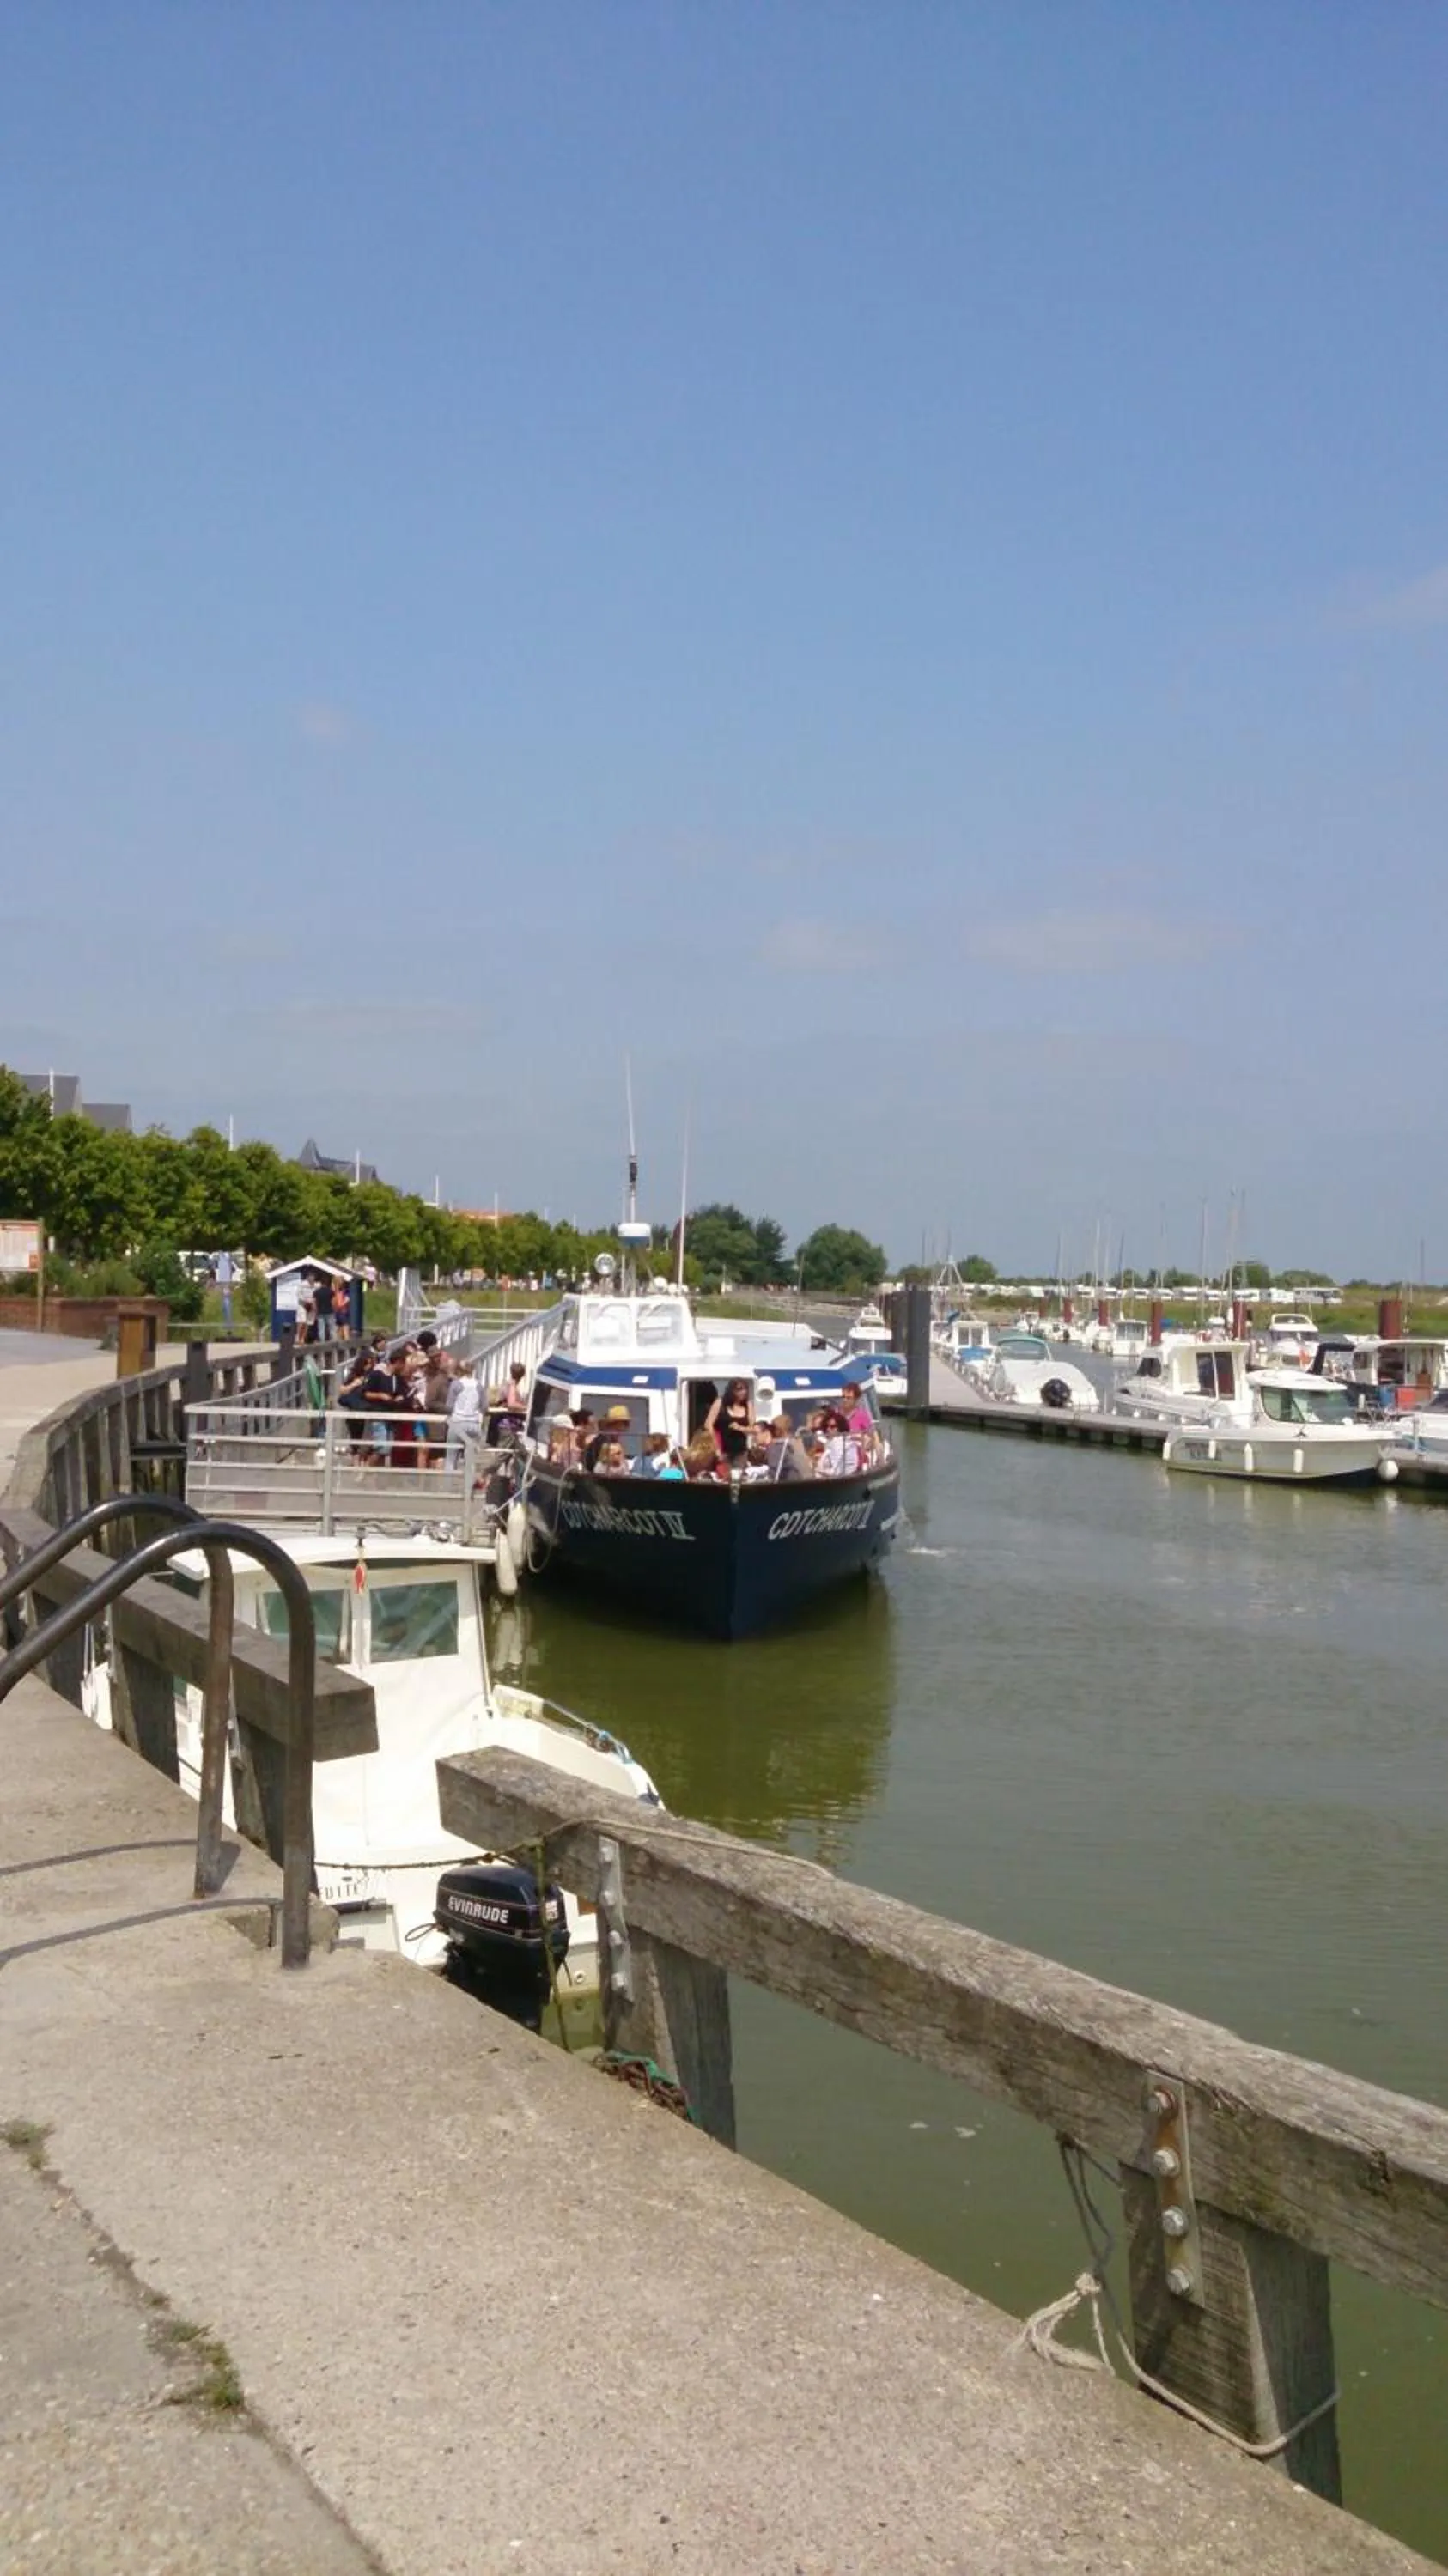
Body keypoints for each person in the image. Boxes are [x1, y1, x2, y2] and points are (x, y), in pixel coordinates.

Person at [705, 1377, 755, 1466]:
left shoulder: (748, 1405)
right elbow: (708, 1424)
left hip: (741, 1452)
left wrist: (740, 1428)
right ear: (732, 1390)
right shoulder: (720, 1402)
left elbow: (753, 1429)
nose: (744, 1392)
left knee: (738, 1473)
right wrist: (716, 1448)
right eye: (739, 1389)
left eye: (745, 1389)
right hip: (722, 1450)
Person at [445, 1361, 483, 1473]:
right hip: (473, 1423)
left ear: (459, 1371)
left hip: (458, 1422)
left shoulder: (456, 1384)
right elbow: (484, 1406)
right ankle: (469, 1480)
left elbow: (449, 1406)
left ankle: (449, 1480)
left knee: (451, 1457)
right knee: (470, 1458)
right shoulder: (479, 1385)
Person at [764, 1412, 812, 1480]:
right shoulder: (798, 1442)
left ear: (778, 1429)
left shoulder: (779, 1445)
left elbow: (774, 1471)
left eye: (772, 1428)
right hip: (807, 1480)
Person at [584, 1405, 634, 1471]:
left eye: (622, 1430)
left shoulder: (613, 1442)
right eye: (618, 1430)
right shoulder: (602, 1442)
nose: (620, 1434)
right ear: (609, 1426)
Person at [215, 1249, 234, 1328]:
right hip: (223, 1281)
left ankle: (228, 1323)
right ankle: (226, 1323)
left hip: (225, 1281)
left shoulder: (226, 1254)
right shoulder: (222, 1254)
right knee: (224, 1304)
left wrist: (229, 1282)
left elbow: (229, 1267)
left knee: (226, 1301)